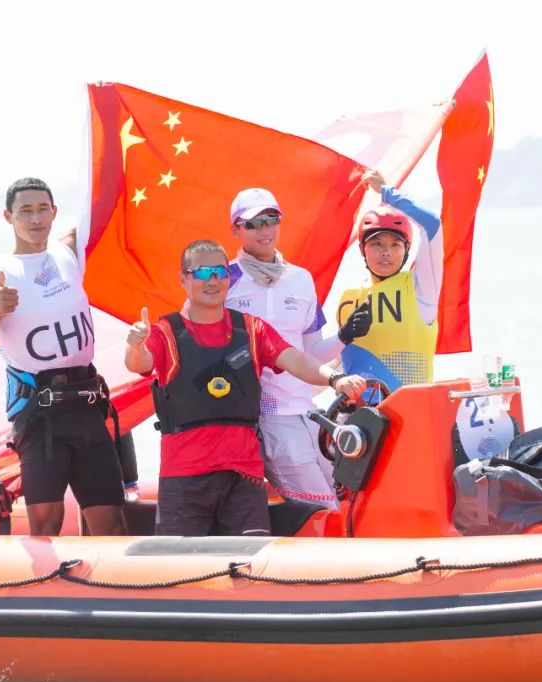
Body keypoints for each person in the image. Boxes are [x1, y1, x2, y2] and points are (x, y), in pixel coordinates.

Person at [124, 239, 366, 537]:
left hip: (244, 480)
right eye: (202, 273)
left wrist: (334, 378)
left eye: (221, 272)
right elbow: (138, 363)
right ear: (184, 279)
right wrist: (135, 345)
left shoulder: (252, 329)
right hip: (184, 479)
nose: (213, 281)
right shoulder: (165, 332)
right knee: (180, 562)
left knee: (250, 561)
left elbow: (296, 359)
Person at [0, 177, 126, 537]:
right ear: (8, 216)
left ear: (54, 212)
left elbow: (104, 203)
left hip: (87, 406)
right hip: (40, 416)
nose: (36, 218)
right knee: (46, 524)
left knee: (112, 525)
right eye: (25, 211)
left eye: (43, 209)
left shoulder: (68, 251)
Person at [225, 187, 372, 510]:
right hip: (267, 419)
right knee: (324, 511)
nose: (265, 229)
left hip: (309, 413)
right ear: (236, 230)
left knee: (348, 502)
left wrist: (345, 336)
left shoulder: (301, 279)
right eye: (254, 223)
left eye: (271, 219)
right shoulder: (222, 280)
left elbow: (312, 352)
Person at [337, 170, 443, 392]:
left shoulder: (421, 290)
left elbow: (431, 224)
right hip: (359, 413)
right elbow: (336, 361)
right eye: (377, 244)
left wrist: (387, 192)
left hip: (410, 410)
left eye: (395, 245)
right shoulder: (349, 297)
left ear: (406, 250)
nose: (386, 252)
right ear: (362, 249)